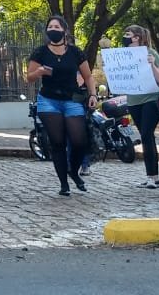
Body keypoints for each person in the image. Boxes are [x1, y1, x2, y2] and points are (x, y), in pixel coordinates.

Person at [26, 15, 99, 196]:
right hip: (48, 101)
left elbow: (88, 76)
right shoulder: (40, 52)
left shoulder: (75, 52)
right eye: (50, 27)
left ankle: (73, 171)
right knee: (57, 142)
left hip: (71, 100)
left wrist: (93, 95)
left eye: (57, 27)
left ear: (64, 30)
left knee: (78, 141)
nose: (53, 30)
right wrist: (40, 71)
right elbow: (29, 77)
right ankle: (63, 183)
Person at [119, 25, 159, 189]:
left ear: (137, 37)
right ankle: (151, 176)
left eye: (128, 34)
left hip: (150, 99)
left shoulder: (151, 54)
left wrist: (152, 65)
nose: (125, 37)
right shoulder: (123, 56)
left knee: (147, 134)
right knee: (146, 136)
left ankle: (154, 177)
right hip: (133, 101)